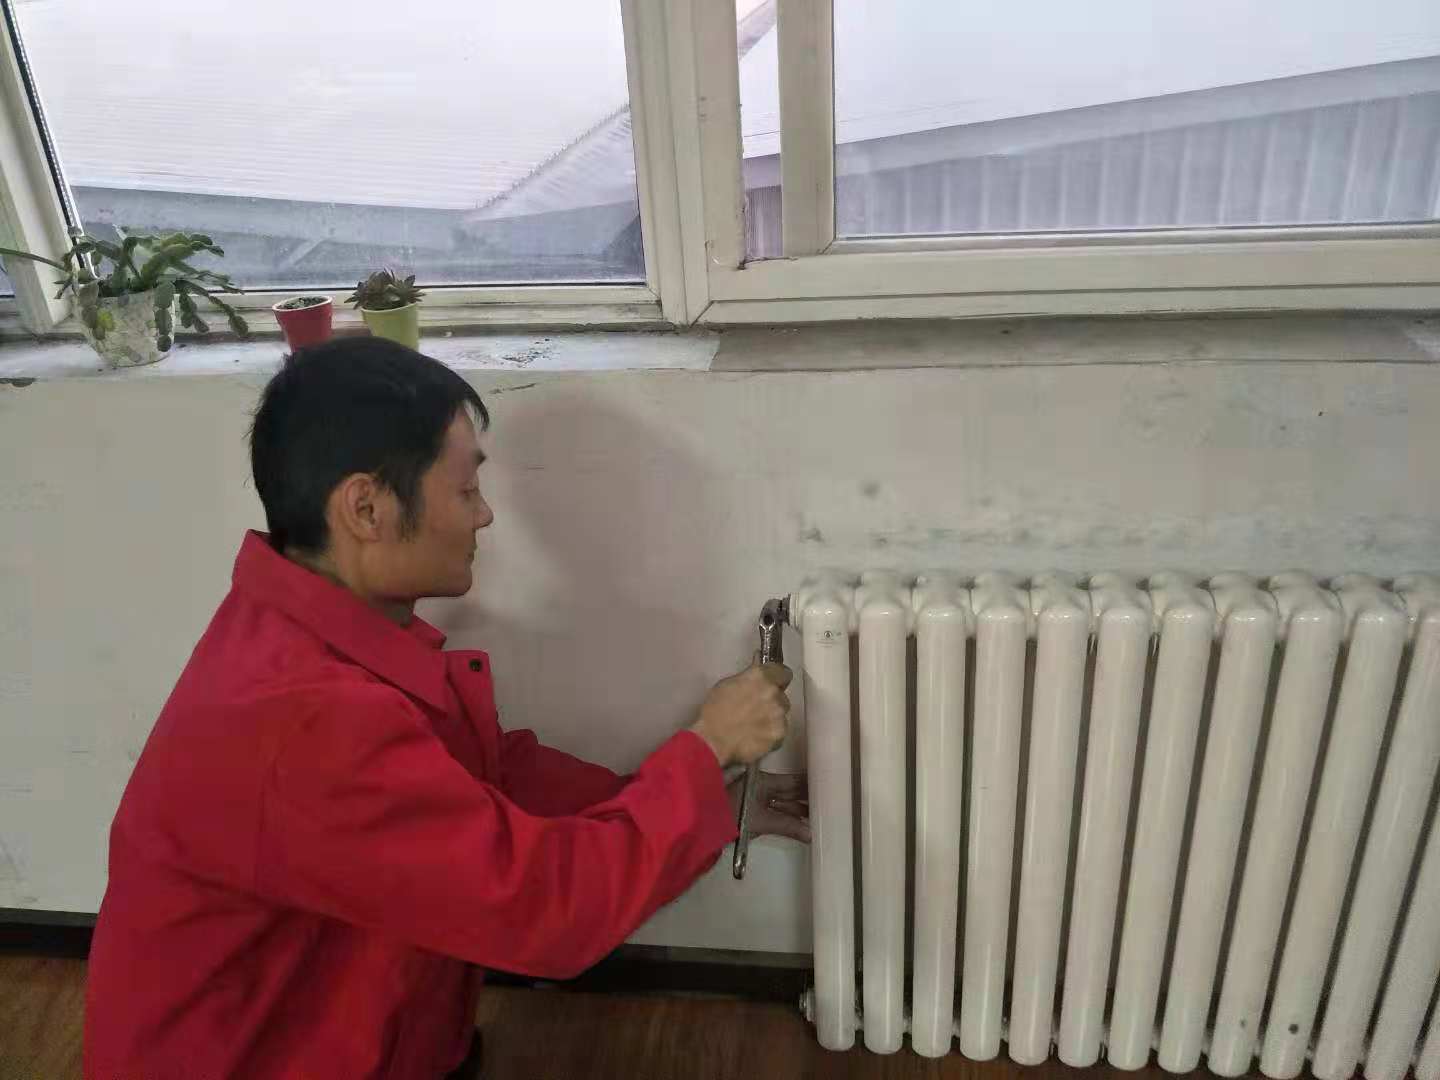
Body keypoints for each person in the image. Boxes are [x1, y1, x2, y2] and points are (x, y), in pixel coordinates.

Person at [83, 337, 805, 1080]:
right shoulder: (306, 721)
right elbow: (546, 912)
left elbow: (480, 778)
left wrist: (717, 800)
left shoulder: (304, 631)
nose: (484, 516)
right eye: (464, 491)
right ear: (366, 508)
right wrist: (706, 748)